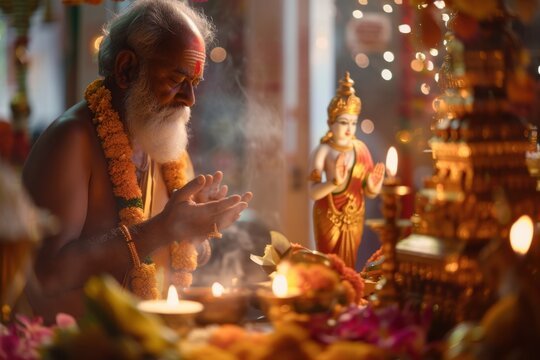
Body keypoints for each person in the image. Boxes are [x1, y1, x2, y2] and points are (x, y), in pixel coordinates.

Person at [21, 0, 252, 323]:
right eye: (176, 79)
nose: (190, 99)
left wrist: (195, 235)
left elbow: (176, 258)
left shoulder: (165, 144)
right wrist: (163, 228)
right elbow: (46, 275)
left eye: (194, 84)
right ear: (127, 69)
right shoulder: (72, 139)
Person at [308, 72, 384, 269]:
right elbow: (313, 191)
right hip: (328, 214)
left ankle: (349, 290)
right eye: (343, 122)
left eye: (353, 123)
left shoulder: (361, 149)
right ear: (330, 123)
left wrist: (374, 187)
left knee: (349, 264)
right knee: (330, 263)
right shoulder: (322, 152)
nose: (349, 128)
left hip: (355, 215)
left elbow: (367, 191)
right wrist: (333, 182)